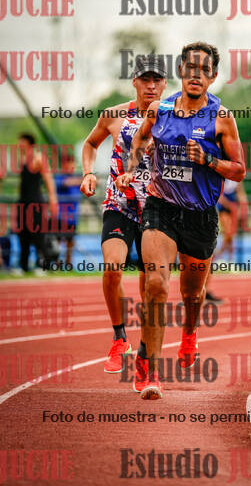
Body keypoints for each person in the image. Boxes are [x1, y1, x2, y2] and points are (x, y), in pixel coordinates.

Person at [116, 42, 246, 400]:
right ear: (181, 72)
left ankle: (189, 334)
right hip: (161, 208)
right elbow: (139, 140)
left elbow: (239, 170)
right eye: (190, 68)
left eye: (204, 70)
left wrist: (208, 160)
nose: (196, 75)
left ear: (213, 77)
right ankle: (150, 369)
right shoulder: (160, 109)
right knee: (156, 284)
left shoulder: (222, 117)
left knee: (192, 295)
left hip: (201, 215)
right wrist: (130, 169)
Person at [80, 56, 167, 383]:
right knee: (112, 267)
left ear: (165, 84)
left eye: (157, 80)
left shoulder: (172, 118)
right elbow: (90, 143)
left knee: (150, 284)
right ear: (134, 81)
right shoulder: (114, 115)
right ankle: (119, 339)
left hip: (155, 209)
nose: (151, 86)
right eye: (145, 79)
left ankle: (145, 350)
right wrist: (88, 172)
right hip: (119, 204)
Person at [17, 133, 58, 273]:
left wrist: (53, 200)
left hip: (36, 201)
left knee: (38, 233)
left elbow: (48, 180)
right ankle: (23, 266)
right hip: (23, 201)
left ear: (28, 143)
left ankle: (43, 265)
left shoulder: (39, 157)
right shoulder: (21, 159)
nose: (19, 144)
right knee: (22, 234)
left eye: (21, 141)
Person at [205, 179, 248, 303]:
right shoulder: (220, 175)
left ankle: (223, 258)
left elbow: (241, 193)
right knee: (212, 248)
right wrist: (229, 205)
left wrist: (243, 209)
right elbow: (217, 194)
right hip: (219, 207)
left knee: (229, 238)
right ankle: (201, 290)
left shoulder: (236, 176)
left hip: (230, 207)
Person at [54, 153, 81, 265]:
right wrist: (84, 179)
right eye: (69, 164)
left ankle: (68, 264)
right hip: (60, 216)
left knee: (70, 241)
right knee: (58, 241)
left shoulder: (77, 178)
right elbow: (66, 183)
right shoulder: (59, 177)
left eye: (73, 164)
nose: (71, 166)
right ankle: (56, 264)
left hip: (73, 217)